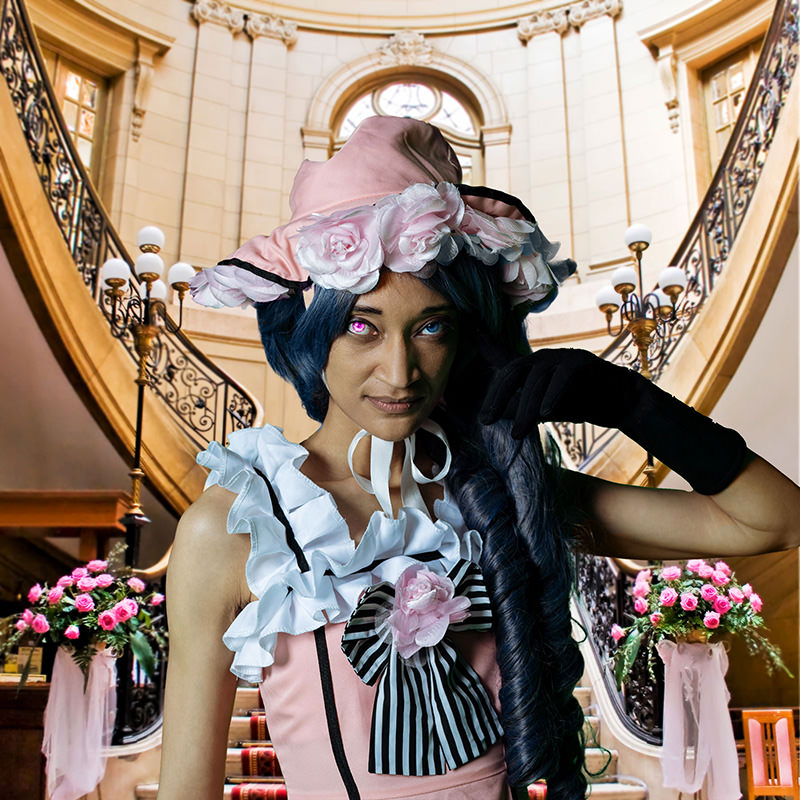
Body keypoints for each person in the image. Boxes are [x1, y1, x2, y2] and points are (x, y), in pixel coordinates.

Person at [156, 116, 800, 800]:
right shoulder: (232, 529)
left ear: (465, 339)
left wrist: (632, 404)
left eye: (431, 327)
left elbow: (772, 522)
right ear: (311, 336)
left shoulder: (511, 495)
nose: (400, 370)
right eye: (361, 327)